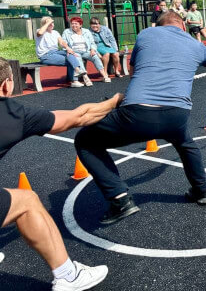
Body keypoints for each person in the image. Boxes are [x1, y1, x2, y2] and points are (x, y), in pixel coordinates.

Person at [74, 11, 206, 225]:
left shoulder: (145, 34)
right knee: (185, 143)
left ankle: (120, 199)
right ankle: (202, 191)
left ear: (159, 25)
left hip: (137, 112)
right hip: (176, 114)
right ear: (182, 25)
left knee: (85, 141)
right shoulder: (194, 44)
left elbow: (134, 70)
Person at [0, 57, 122, 290]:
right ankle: (68, 276)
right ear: (7, 85)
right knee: (27, 202)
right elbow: (80, 117)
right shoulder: (13, 114)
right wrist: (115, 101)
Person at [35, 17, 89, 88]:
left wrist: (67, 48)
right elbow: (40, 33)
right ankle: (75, 79)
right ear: (44, 24)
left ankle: (77, 73)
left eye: (52, 23)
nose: (51, 24)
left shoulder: (55, 32)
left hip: (56, 52)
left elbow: (61, 42)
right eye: (49, 23)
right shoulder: (39, 31)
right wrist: (48, 22)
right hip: (45, 55)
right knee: (70, 60)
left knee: (71, 53)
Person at [62, 17, 110, 84]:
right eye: (72, 24)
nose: (74, 25)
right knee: (78, 58)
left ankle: (104, 75)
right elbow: (63, 43)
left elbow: (92, 42)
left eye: (76, 24)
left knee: (95, 57)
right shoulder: (67, 32)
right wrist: (67, 49)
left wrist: (93, 49)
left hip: (86, 51)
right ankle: (86, 77)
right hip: (74, 52)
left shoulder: (86, 31)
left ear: (80, 25)